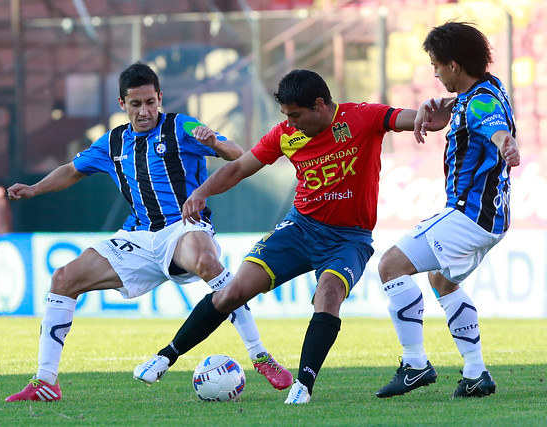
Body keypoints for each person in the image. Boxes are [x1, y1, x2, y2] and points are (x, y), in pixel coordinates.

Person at [5, 62, 292, 402]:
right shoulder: (112, 142)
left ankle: (260, 355)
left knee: (206, 261)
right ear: (122, 104)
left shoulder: (181, 125)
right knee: (64, 278)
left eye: (151, 102)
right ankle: (46, 382)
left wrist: (212, 140)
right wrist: (35, 189)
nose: (145, 111)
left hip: (184, 227)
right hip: (139, 237)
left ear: (160, 98)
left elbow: (238, 155)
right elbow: (71, 170)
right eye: (136, 104)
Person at [134, 69, 418, 404]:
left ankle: (303, 386)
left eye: (296, 115)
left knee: (328, 294)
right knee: (232, 292)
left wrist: (429, 116)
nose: (291, 124)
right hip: (299, 229)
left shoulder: (362, 116)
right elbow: (240, 167)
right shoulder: (285, 135)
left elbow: (404, 118)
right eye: (287, 117)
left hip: (349, 238)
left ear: (319, 105)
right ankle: (166, 356)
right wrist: (201, 192)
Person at [375, 21, 520, 399]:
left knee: (391, 265)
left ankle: (414, 364)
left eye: (437, 66)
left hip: (467, 214)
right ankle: (475, 373)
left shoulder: (481, 103)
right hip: (492, 219)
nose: (435, 74)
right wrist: (443, 107)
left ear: (454, 65)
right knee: (442, 282)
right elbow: (476, 107)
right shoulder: (489, 89)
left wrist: (507, 145)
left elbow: (495, 127)